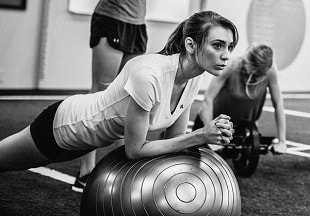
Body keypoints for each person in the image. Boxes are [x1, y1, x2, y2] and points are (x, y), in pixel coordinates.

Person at [0, 10, 239, 186]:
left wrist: (208, 136)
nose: (226, 55)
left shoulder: (193, 76)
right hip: (62, 126)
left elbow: (175, 138)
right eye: (218, 45)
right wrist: (199, 135)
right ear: (190, 44)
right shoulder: (150, 75)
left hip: (89, 141)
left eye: (230, 47)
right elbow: (134, 151)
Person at [73, 0, 148, 192]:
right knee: (100, 94)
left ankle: (121, 168)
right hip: (112, 18)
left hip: (137, 24)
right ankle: (85, 172)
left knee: (128, 95)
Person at [193, 43, 287, 154]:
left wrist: (282, 141)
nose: (255, 77)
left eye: (259, 75)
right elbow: (208, 99)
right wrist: (210, 134)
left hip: (243, 126)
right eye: (254, 73)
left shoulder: (270, 71)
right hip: (214, 123)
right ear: (248, 63)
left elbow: (279, 105)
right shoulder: (231, 66)